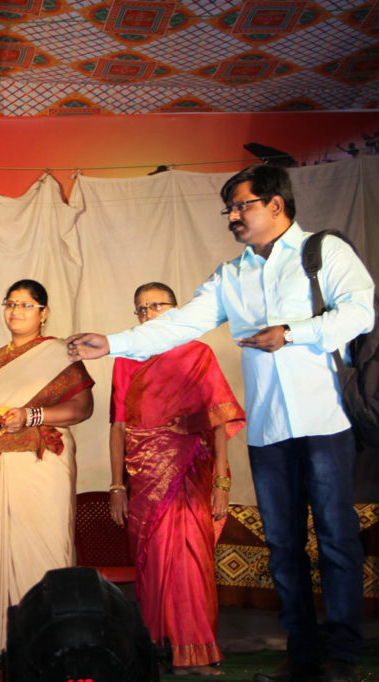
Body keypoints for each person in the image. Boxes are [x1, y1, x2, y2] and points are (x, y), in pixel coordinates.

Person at [67, 164, 374, 682]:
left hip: (325, 420)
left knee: (336, 538)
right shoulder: (232, 276)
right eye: (228, 209)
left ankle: (342, 656)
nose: (232, 216)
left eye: (241, 206)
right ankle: (301, 656)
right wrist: (113, 343)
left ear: (275, 205)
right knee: (283, 546)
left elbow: (360, 313)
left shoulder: (323, 252)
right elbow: (179, 324)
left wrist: (291, 333)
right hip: (269, 430)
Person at [0, 279, 95, 681]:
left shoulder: (60, 354)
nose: (16, 311)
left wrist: (32, 416)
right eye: (10, 303)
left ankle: (49, 654)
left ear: (43, 313)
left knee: (44, 548)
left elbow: (82, 407)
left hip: (43, 464)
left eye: (26, 305)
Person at [109, 282, 245, 676]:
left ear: (176, 308)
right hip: (145, 479)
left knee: (192, 560)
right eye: (141, 309)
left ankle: (197, 653)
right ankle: (159, 651)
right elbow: (118, 426)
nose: (148, 314)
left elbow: (218, 421)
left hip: (191, 474)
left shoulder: (198, 355)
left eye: (157, 305)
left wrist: (221, 483)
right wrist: (117, 486)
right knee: (153, 564)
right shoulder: (126, 359)